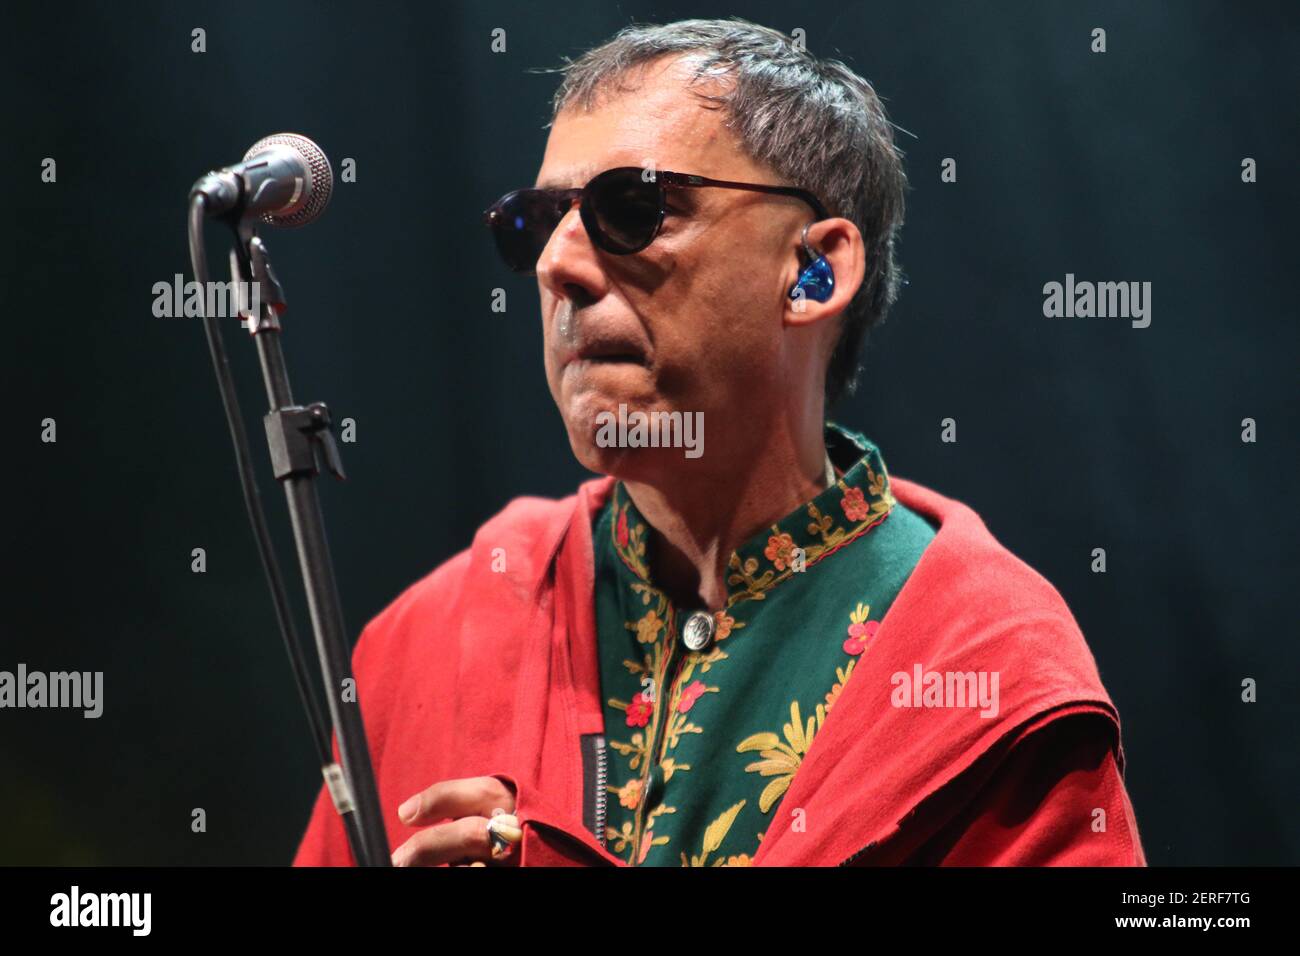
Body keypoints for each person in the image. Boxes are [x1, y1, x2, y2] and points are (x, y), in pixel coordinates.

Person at [293, 18, 1145, 867]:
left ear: (814, 270)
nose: (558, 264)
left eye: (633, 208)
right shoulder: (429, 641)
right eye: (535, 222)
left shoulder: (986, 669)